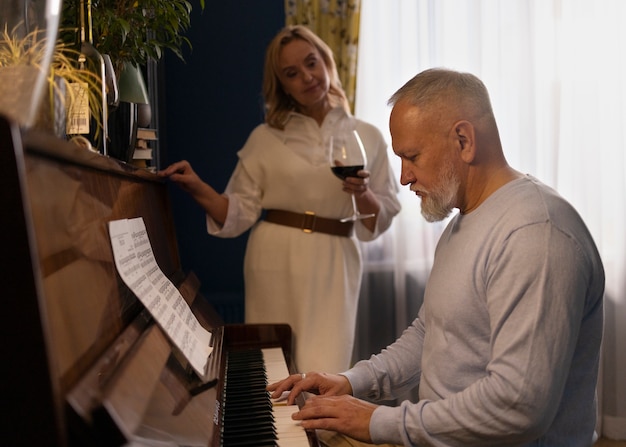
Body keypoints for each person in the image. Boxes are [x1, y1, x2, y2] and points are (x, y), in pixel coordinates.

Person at [268, 68, 605, 446]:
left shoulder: (535, 234)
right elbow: (431, 334)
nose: (403, 177)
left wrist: (379, 421)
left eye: (411, 156)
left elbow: (518, 406)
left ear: (464, 139)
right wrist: (350, 381)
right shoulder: (465, 220)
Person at [159, 25, 401, 374]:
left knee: (325, 370)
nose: (307, 76)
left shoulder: (368, 136)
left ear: (326, 62)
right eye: (292, 73)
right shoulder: (265, 137)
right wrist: (197, 186)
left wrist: (362, 194)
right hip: (272, 258)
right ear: (282, 84)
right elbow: (239, 211)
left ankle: (320, 430)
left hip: (335, 260)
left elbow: (379, 220)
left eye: (311, 63)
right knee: (274, 366)